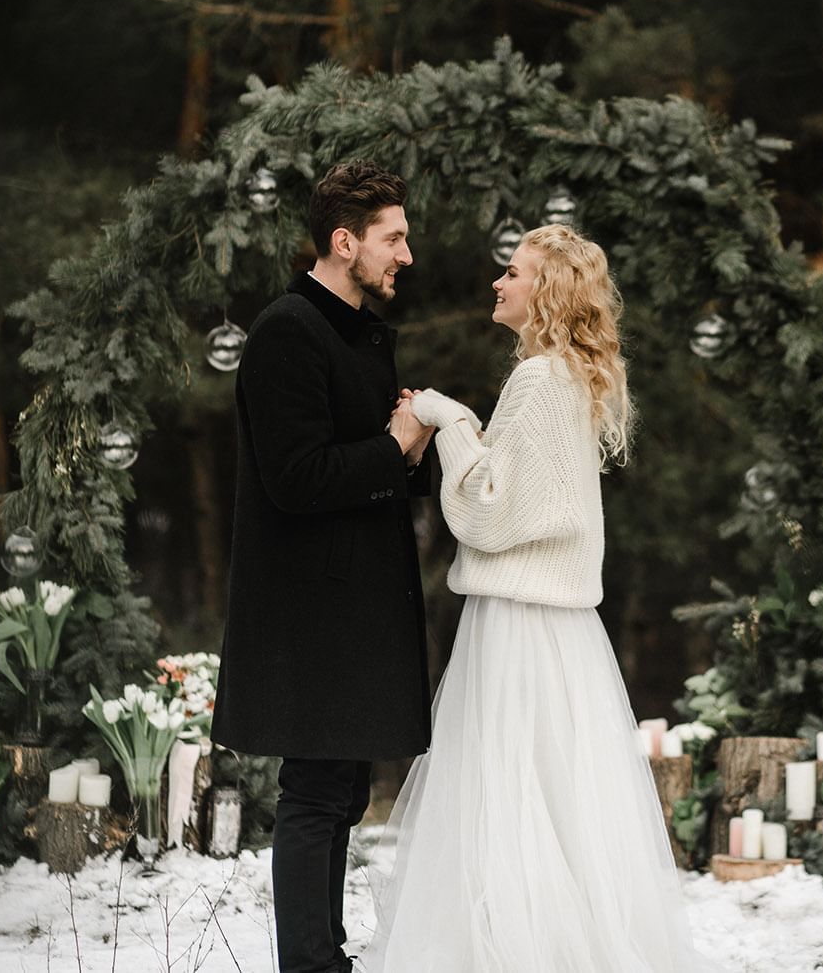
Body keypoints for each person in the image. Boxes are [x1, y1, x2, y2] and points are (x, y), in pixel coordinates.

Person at [357, 223, 705, 972]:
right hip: (557, 625)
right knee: (552, 794)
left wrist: (446, 418)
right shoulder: (562, 379)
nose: (498, 283)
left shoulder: (541, 379)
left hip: (519, 621)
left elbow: (490, 511)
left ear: (544, 290)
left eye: (512, 273)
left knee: (509, 792)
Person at [210, 159, 436, 973]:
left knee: (341, 791)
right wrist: (395, 445)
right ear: (345, 243)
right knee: (313, 792)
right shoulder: (286, 331)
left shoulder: (361, 334)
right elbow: (297, 478)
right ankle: (309, 966)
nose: (406, 255)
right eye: (393, 238)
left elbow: (375, 464)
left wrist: (411, 450)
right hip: (310, 612)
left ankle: (325, 957)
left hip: (358, 606)